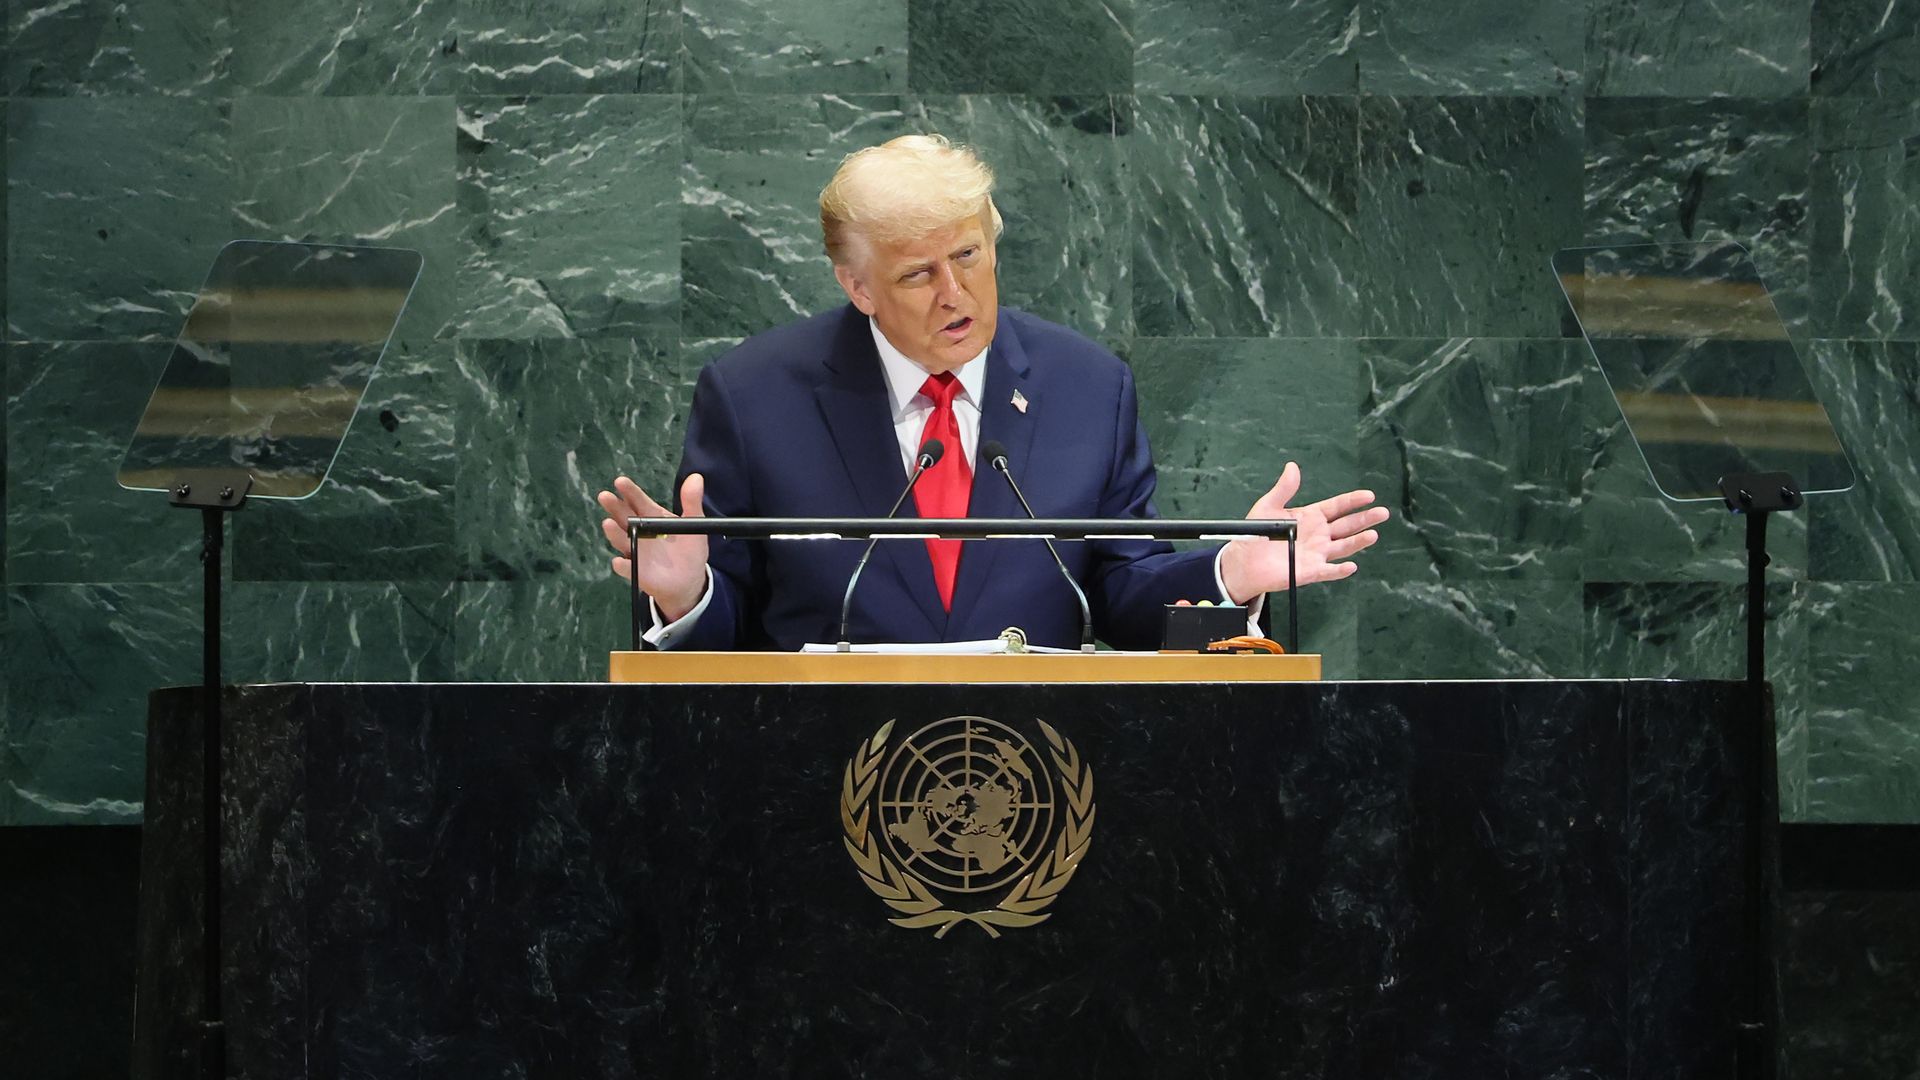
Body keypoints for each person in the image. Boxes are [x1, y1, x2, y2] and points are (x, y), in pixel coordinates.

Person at [597, 135, 1387, 651]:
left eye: (970, 255)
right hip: (814, 783)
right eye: (918, 273)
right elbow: (729, 629)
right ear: (857, 285)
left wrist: (1229, 572)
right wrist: (688, 596)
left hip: (1040, 776)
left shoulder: (1088, 388)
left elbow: (1118, 592)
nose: (956, 293)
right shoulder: (753, 397)